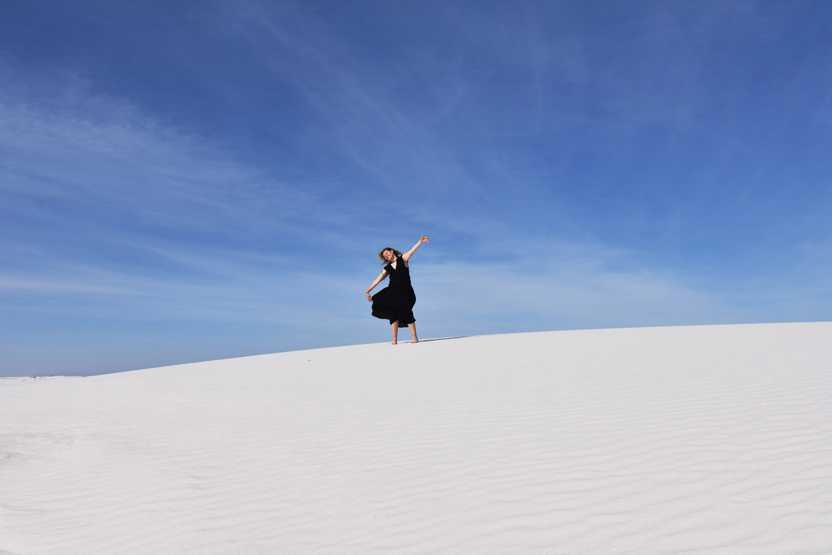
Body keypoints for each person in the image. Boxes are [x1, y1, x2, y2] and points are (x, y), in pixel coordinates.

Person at [365, 235, 429, 344]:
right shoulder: (387, 268)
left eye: (387, 253)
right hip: (393, 292)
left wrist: (420, 242)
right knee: (392, 314)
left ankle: (414, 338)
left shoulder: (403, 259)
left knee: (407, 311)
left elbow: (412, 251)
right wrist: (368, 290)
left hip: (406, 292)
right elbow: (378, 279)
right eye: (384, 256)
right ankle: (394, 340)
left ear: (392, 251)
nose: (386, 256)